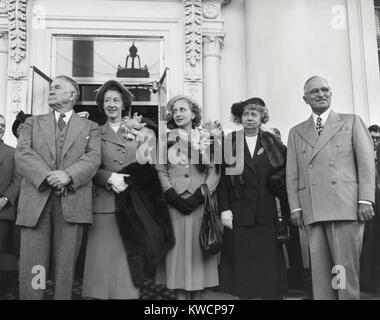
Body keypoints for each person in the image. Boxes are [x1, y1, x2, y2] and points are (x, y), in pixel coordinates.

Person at [81, 80, 173, 299]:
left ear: (124, 105)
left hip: (131, 204)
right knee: (100, 265)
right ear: (101, 106)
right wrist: (108, 177)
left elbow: (149, 169)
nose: (111, 104)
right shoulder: (91, 132)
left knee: (127, 265)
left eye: (115, 100)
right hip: (102, 204)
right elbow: (85, 165)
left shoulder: (142, 132)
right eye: (106, 100)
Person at [286, 76, 375, 300]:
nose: (321, 94)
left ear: (331, 93)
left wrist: (366, 199)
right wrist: (295, 208)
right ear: (305, 98)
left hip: (345, 205)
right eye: (314, 91)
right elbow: (292, 174)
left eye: (325, 89)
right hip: (313, 208)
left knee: (344, 268)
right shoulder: (296, 132)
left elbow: (366, 164)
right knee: (320, 270)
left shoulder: (351, 121)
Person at [15, 75, 101, 300]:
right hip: (36, 203)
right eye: (50, 88)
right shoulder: (32, 122)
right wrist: (48, 177)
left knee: (65, 268)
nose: (51, 91)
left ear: (72, 95)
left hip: (72, 204)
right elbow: (22, 153)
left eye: (57, 88)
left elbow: (93, 159)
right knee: (35, 265)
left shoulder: (91, 127)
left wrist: (68, 176)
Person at [217, 98, 288, 299]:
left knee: (268, 265)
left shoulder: (271, 141)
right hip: (239, 212)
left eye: (254, 114)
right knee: (244, 266)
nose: (249, 118)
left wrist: (278, 181)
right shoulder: (230, 141)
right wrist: (225, 209)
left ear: (261, 118)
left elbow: (284, 171)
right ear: (240, 117)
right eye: (246, 114)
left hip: (266, 213)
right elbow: (222, 179)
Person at [155, 95, 220, 300]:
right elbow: (159, 170)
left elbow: (215, 171)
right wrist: (171, 195)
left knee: (198, 253)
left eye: (183, 110)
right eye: (175, 111)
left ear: (193, 113)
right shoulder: (165, 138)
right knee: (177, 254)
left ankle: (198, 300)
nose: (178, 114)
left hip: (200, 204)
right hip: (174, 205)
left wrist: (200, 195)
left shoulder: (208, 137)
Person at [360, 125, 380, 292]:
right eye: (372, 138)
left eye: (377, 138)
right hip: (368, 205)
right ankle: (366, 281)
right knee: (368, 243)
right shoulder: (360, 155)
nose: (374, 142)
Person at [0, 114, 21, 259]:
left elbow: (17, 180)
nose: (0, 128)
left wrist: (4, 200)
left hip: (2, 211)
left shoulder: (12, 153)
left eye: (2, 125)